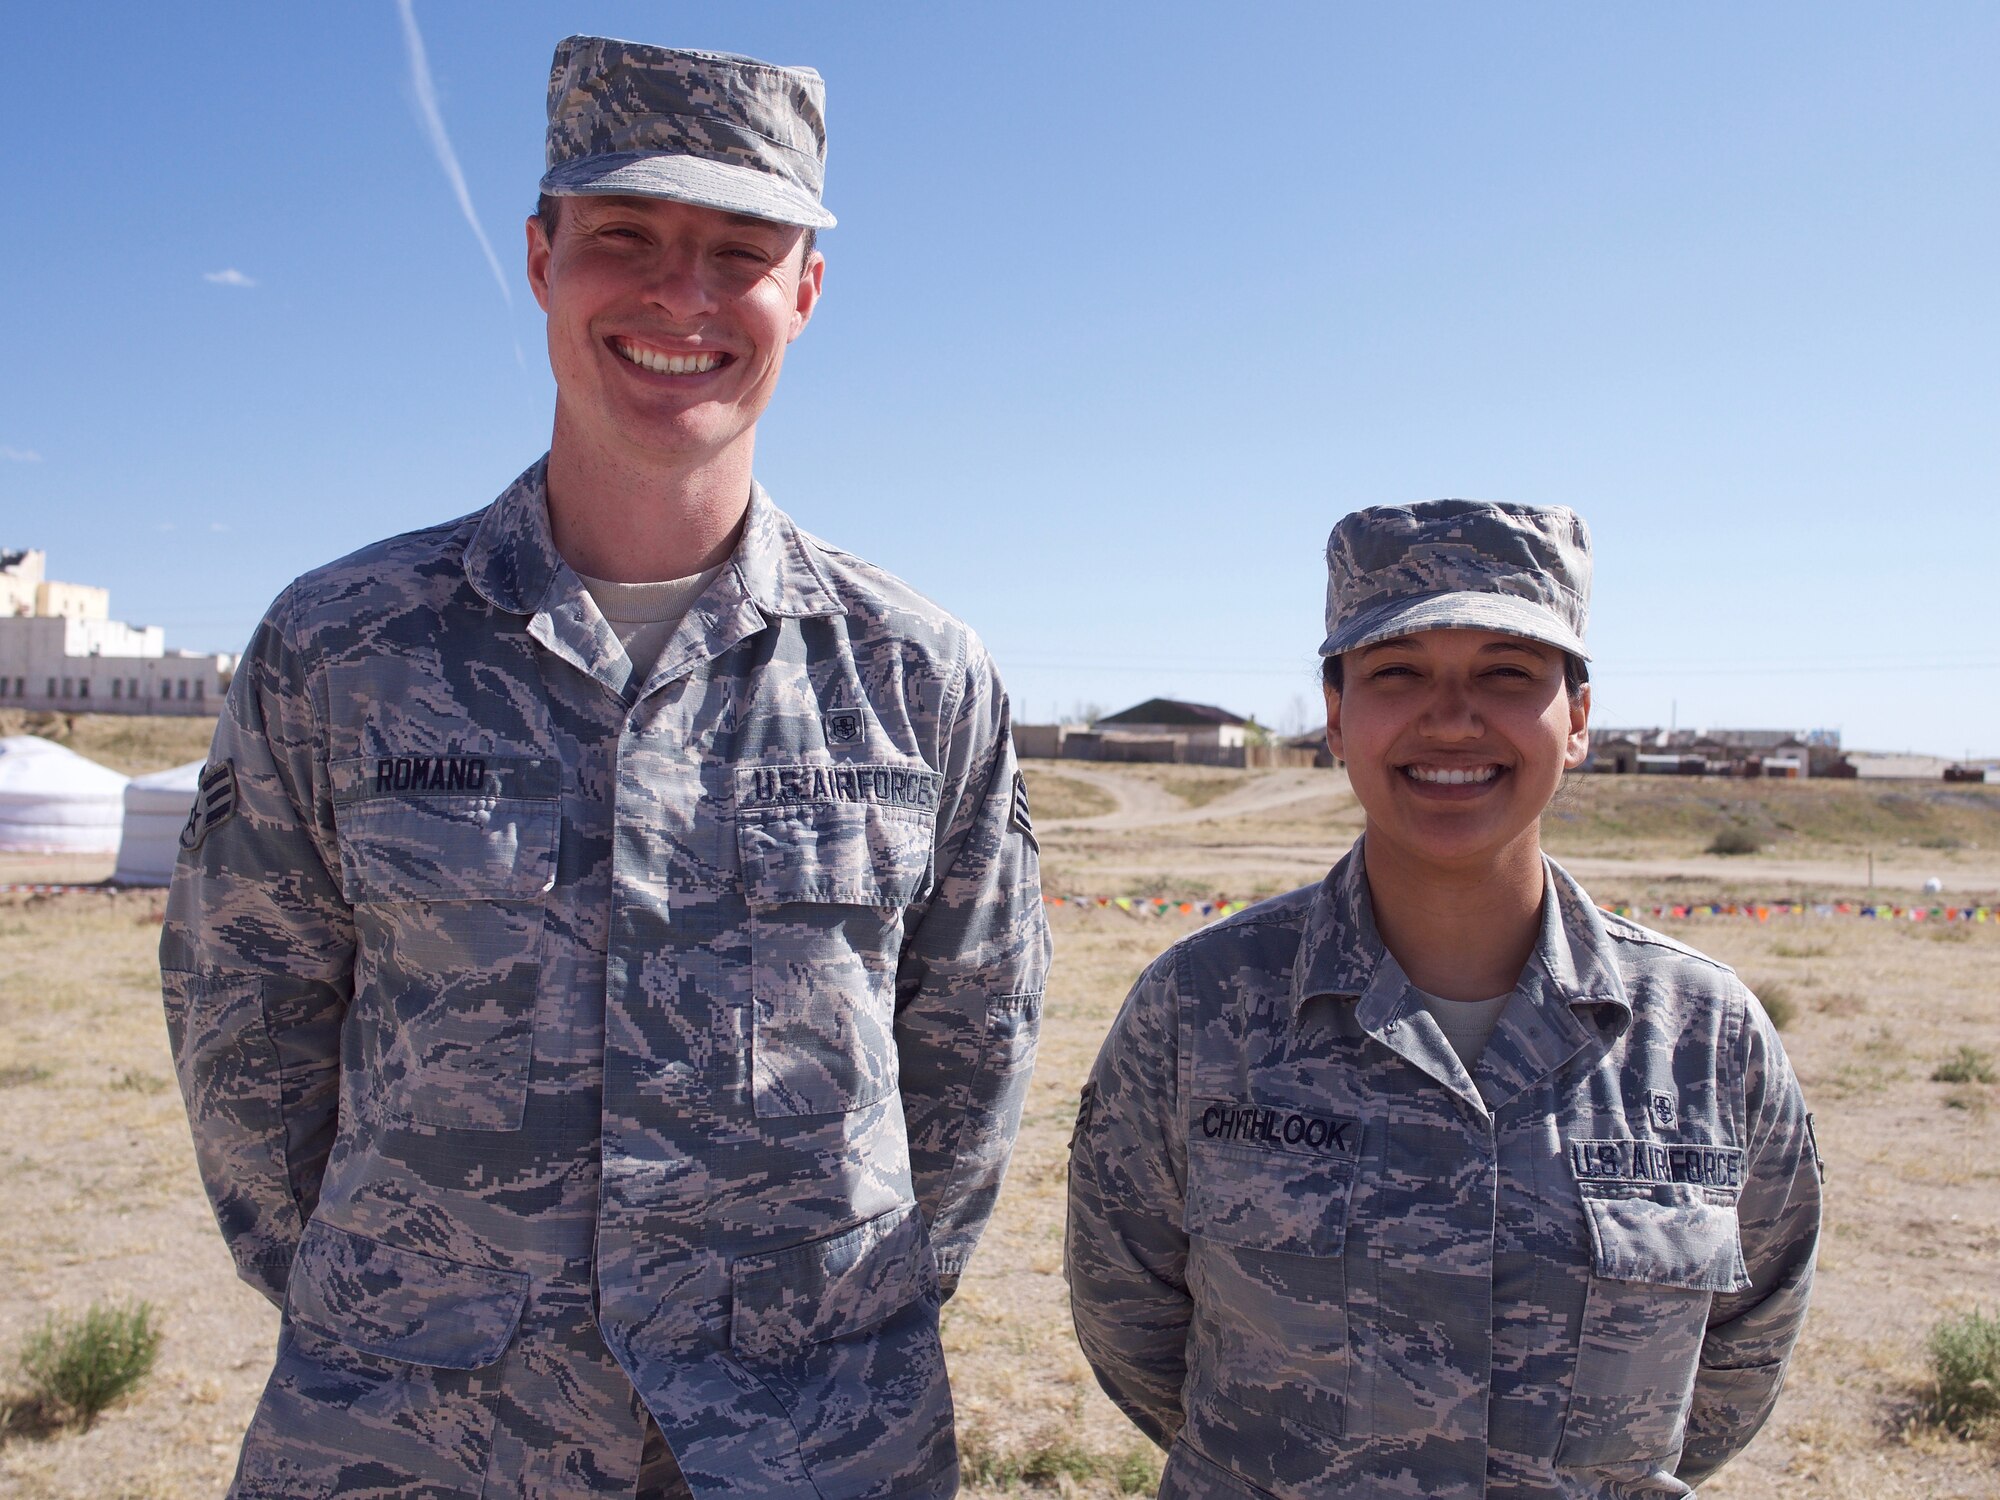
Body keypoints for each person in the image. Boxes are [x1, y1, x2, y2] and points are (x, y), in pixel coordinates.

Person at [163, 35, 1048, 1500]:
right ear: (538, 257)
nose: (678, 297)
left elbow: (966, 1075)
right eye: (623, 237)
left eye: (740, 251)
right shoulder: (341, 647)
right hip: (418, 1443)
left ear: (807, 292)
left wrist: (812, 1341)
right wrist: (404, 1310)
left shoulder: (917, 676)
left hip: (810, 1446)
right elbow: (245, 1045)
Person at [1066, 500, 1820, 1498]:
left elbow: (1738, 1358)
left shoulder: (1705, 1039)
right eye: (1397, 674)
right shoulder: (1198, 1012)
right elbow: (1132, 1323)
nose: (1451, 717)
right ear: (1335, 716)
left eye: (1507, 675)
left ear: (1579, 720)